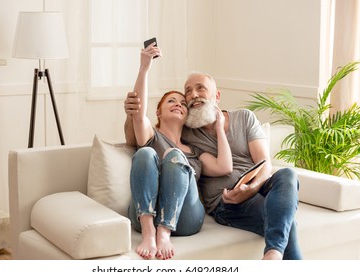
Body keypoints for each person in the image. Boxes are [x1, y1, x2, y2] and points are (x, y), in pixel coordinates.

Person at [124, 72, 302, 260]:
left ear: (216, 96)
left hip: (257, 185)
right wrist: (131, 114)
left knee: (287, 174)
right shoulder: (188, 131)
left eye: (200, 88)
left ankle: (273, 255)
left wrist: (252, 188)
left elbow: (265, 164)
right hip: (226, 202)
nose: (192, 95)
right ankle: (275, 254)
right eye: (188, 92)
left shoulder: (244, 118)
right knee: (286, 223)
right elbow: (138, 135)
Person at [127, 44, 233, 260]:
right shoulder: (151, 136)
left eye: (183, 103)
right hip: (145, 215)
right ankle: (149, 231)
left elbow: (224, 167)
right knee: (145, 154)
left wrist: (220, 128)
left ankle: (164, 233)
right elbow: (137, 112)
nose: (179, 104)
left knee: (176, 156)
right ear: (158, 110)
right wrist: (144, 68)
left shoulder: (194, 150)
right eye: (171, 101)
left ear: (187, 114)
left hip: (186, 219)